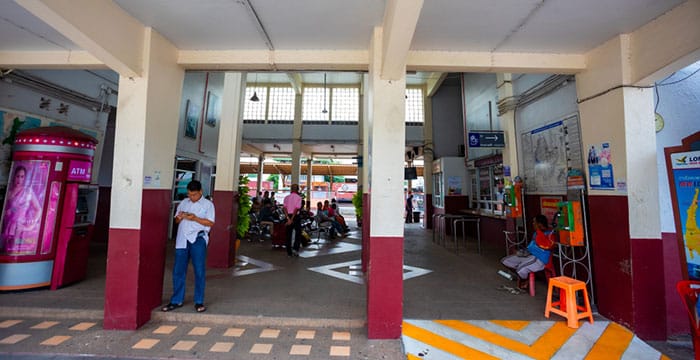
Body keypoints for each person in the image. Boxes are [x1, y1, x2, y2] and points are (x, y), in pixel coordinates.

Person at [162, 180, 215, 313]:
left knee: (199, 271)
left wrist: (195, 218)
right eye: (190, 194)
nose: (192, 197)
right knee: (178, 270)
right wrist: (180, 217)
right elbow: (176, 220)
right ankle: (176, 300)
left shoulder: (208, 205)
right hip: (182, 239)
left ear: (201, 192)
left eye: (195, 195)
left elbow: (210, 223)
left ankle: (199, 301)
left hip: (198, 239)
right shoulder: (184, 203)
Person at [501, 214, 555, 290]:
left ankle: (524, 281)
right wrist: (521, 252)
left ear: (539, 224)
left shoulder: (549, 234)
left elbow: (544, 244)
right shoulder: (535, 233)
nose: (533, 224)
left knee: (520, 269)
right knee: (505, 261)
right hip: (528, 255)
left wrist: (539, 231)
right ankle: (523, 275)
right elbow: (530, 247)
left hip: (539, 259)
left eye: (534, 222)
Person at [1, 165, 42, 253]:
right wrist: (6, 212)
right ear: (14, 176)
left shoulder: (28, 191)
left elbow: (38, 209)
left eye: (22, 177)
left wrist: (31, 225)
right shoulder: (9, 192)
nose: (19, 179)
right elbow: (5, 210)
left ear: (24, 178)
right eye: (18, 176)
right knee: (6, 252)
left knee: (16, 251)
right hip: (8, 227)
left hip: (21, 227)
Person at [283, 184, 303, 257]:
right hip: (295, 217)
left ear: (291, 189)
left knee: (288, 234)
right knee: (298, 233)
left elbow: (284, 208)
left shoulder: (286, 197)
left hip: (288, 216)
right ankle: (295, 249)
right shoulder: (298, 198)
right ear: (297, 190)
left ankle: (289, 252)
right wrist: (292, 219)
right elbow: (296, 209)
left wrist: (288, 218)